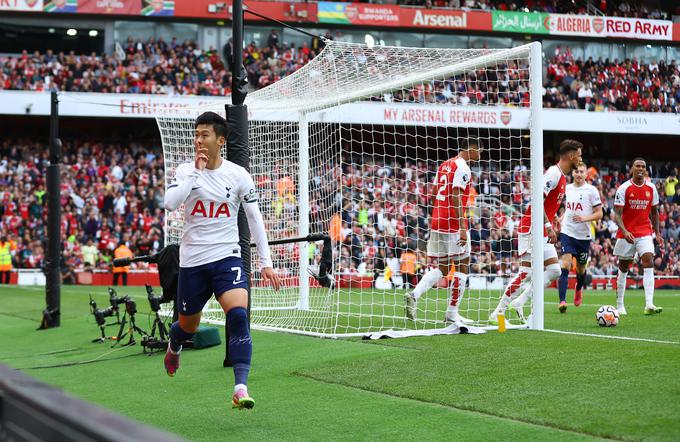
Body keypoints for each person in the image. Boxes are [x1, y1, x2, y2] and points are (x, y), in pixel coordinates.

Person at [163, 111, 281, 410]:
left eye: (205, 135)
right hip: (192, 262)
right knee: (187, 327)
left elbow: (255, 219)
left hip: (226, 257)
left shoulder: (239, 174)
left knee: (238, 314)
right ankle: (174, 345)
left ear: (220, 140)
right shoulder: (185, 170)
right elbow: (170, 204)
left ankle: (240, 387)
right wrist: (195, 173)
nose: (198, 140)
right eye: (197, 134)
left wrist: (265, 262)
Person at [490, 139, 583, 324]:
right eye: (579, 156)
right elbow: (537, 200)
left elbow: (547, 204)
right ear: (571, 156)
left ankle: (520, 302)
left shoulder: (562, 177)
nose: (580, 159)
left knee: (555, 270)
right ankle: (497, 313)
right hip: (532, 227)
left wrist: (553, 217)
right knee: (526, 273)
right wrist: (548, 226)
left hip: (541, 228)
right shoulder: (553, 174)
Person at [405, 138, 482, 325]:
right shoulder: (463, 167)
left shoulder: (445, 165)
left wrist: (438, 213)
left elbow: (433, 193)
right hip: (453, 223)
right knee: (463, 266)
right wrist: (462, 227)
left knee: (443, 267)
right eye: (480, 150)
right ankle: (452, 312)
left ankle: (415, 293)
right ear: (471, 150)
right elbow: (456, 194)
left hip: (437, 221)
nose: (481, 155)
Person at [613, 158, 663, 315]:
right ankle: (620, 305)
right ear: (632, 169)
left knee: (648, 259)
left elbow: (654, 212)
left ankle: (649, 304)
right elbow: (617, 214)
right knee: (623, 266)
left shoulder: (651, 188)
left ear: (646, 170)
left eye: (643, 166)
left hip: (644, 232)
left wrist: (657, 233)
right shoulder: (624, 188)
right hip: (626, 233)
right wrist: (625, 230)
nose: (640, 168)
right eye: (638, 166)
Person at [557, 161, 603, 312]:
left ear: (586, 174)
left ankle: (578, 288)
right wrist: (561, 218)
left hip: (583, 236)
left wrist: (585, 218)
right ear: (573, 173)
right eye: (576, 171)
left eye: (582, 171)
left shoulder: (592, 190)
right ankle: (562, 301)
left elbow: (599, 213)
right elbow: (569, 209)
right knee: (565, 264)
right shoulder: (567, 188)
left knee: (581, 270)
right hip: (567, 232)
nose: (578, 174)